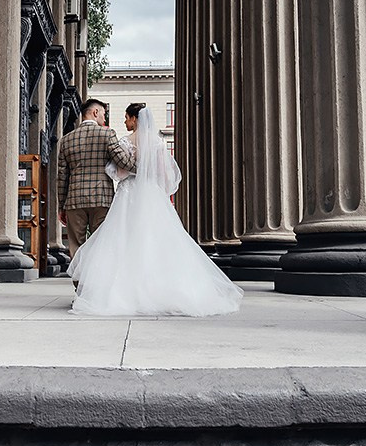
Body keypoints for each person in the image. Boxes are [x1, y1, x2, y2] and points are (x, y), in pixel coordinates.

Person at [69, 102, 244, 316]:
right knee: (156, 240)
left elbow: (120, 171)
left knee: (124, 240)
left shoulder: (125, 141)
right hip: (151, 193)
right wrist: (150, 182)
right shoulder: (159, 143)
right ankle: (162, 288)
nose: (125, 121)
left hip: (129, 194)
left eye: (127, 117)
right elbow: (164, 175)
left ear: (135, 119)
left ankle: (122, 290)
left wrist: (128, 171)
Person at [56, 99, 136, 261]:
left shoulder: (66, 139)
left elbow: (62, 176)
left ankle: (79, 284)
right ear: (95, 113)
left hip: (74, 201)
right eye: (104, 114)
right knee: (101, 243)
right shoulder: (107, 134)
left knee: (76, 245)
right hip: (102, 199)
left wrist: (62, 206)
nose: (104, 118)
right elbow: (124, 163)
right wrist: (145, 165)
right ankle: (97, 283)